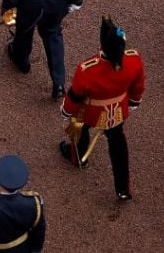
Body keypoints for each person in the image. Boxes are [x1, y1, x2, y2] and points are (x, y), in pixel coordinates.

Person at [59, 16, 144, 200]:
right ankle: (122, 188)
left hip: (91, 112)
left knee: (79, 129)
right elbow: (137, 86)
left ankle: (79, 158)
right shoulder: (134, 59)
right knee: (118, 146)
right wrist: (134, 101)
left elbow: (75, 95)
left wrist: (66, 110)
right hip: (117, 111)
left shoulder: (87, 69)